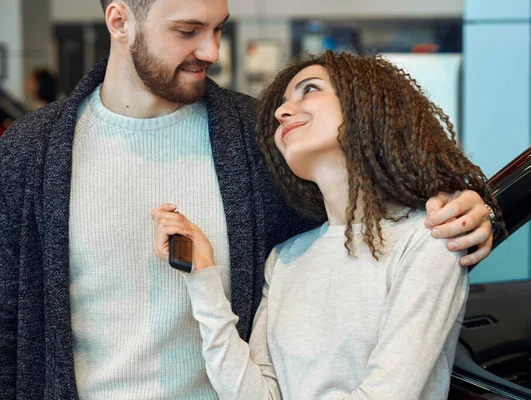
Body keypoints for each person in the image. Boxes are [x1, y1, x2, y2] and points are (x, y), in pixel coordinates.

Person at [0, 0, 497, 399]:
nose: (211, 50)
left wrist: (474, 206)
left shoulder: (257, 139)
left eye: (218, 28)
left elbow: (368, 197)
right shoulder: (30, 152)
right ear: (120, 20)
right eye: (188, 30)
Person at [151, 51, 504, 399]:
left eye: (310, 89)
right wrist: (204, 278)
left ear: (365, 106)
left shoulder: (429, 239)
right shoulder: (286, 258)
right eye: (283, 102)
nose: (281, 111)